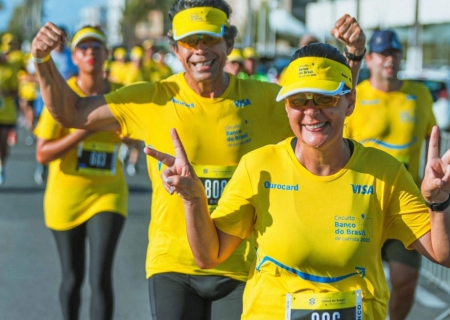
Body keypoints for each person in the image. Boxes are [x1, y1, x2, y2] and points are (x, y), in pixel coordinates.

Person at [30, 0, 365, 317]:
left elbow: (326, 110)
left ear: (228, 44)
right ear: (175, 50)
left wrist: (353, 56)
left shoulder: (264, 100)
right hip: (173, 265)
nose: (200, 50)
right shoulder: (152, 99)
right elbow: (71, 112)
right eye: (190, 42)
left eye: (209, 39)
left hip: (241, 266)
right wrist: (43, 61)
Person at [145, 42, 450, 320]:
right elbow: (208, 256)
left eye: (324, 98)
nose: (311, 111)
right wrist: (194, 199)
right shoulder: (258, 166)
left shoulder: (385, 172)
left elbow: (442, 254)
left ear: (350, 101)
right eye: (299, 100)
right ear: (287, 106)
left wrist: (439, 204)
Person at [33, 26, 128, 320]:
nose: (90, 53)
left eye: (96, 47)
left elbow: (137, 135)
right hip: (66, 197)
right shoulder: (62, 94)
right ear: (74, 55)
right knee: (72, 278)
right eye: (83, 48)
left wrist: (131, 135)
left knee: (100, 278)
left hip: (107, 194)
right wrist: (82, 131)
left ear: (106, 54)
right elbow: (42, 153)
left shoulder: (121, 96)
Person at [344, 29, 436, 320]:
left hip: (405, 202)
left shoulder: (419, 94)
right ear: (369, 58)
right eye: (383, 54)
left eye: (394, 53)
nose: (390, 60)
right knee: (353, 282)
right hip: (360, 203)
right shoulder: (354, 97)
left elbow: (433, 138)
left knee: (405, 280)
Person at [0, 50, 19, 185]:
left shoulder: (10, 69)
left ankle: (1, 167)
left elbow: (15, 91)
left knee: (3, 146)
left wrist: (4, 92)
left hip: (7, 114)